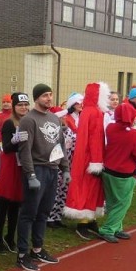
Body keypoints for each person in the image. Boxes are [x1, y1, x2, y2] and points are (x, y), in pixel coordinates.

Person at [15, 84, 68, 271]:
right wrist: (30, 175)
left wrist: (65, 169)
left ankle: (37, 248)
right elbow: (25, 150)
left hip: (52, 170)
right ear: (37, 98)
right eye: (45, 95)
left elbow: (60, 145)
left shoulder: (54, 118)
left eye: (50, 95)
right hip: (37, 170)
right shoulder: (28, 120)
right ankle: (22, 254)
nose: (49, 98)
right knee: (29, 213)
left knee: (44, 212)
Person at [64, 81, 110, 240]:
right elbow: (94, 140)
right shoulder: (94, 113)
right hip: (90, 159)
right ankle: (83, 223)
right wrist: (97, 161)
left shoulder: (90, 111)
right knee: (88, 188)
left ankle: (91, 220)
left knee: (92, 189)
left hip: (86, 157)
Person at [99, 102, 136, 243]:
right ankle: (108, 229)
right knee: (122, 204)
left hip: (108, 171)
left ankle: (116, 228)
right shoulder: (134, 135)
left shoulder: (110, 128)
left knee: (113, 202)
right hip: (124, 174)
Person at [0, 92, 30, 253]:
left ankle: (10, 237)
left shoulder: (29, 121)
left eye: (25, 104)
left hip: (23, 165)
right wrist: (16, 140)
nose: (23, 107)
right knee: (5, 203)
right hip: (10, 165)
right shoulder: (9, 123)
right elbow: (6, 147)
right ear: (14, 106)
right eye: (20, 105)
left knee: (17, 203)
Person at [48, 92, 83, 228]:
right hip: (57, 164)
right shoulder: (56, 130)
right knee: (55, 191)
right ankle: (49, 218)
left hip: (67, 164)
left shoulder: (67, 129)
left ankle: (57, 216)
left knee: (63, 190)